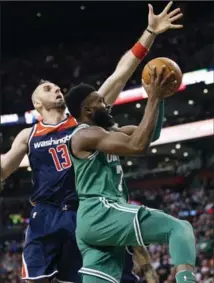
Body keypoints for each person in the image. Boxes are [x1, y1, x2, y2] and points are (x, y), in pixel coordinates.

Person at [1, 2, 183, 282]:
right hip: (46, 215)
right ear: (37, 103)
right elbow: (3, 169)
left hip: (84, 213)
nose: (56, 88)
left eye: (58, 86)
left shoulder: (83, 122)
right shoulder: (29, 135)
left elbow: (120, 74)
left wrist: (150, 32)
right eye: (48, 88)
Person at [64, 63, 196, 283]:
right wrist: (152, 98)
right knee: (179, 228)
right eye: (100, 102)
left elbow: (149, 135)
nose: (106, 105)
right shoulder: (85, 135)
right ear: (87, 111)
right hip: (101, 210)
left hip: (93, 223)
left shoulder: (107, 133)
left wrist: (159, 98)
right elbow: (137, 146)